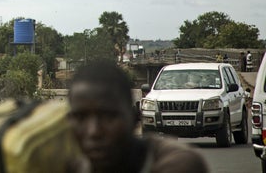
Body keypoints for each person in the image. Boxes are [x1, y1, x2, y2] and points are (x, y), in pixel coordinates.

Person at [67, 60, 209, 173]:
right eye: (81, 118)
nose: (94, 131)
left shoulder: (176, 163)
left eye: (108, 117)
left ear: (135, 118)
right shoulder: (71, 165)